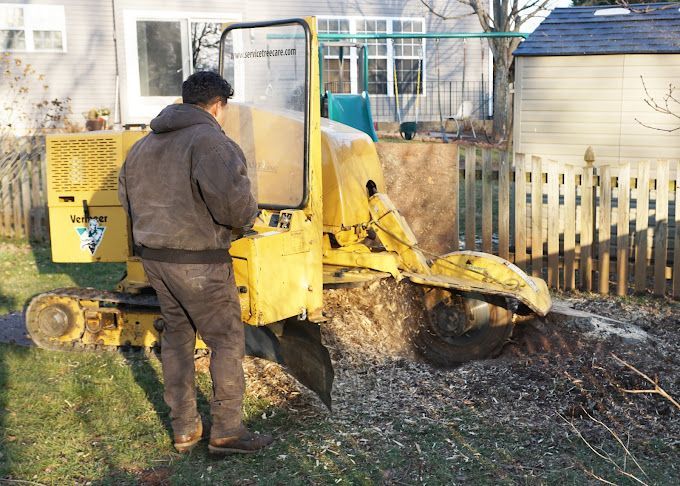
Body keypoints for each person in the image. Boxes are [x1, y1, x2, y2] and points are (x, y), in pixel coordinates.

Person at [118, 71, 273, 455]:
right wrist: (249, 218)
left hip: (155, 259)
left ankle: (185, 430)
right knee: (225, 340)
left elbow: (127, 200)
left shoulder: (142, 145)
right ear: (219, 105)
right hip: (200, 262)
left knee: (177, 339)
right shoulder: (210, 142)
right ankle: (227, 431)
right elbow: (235, 205)